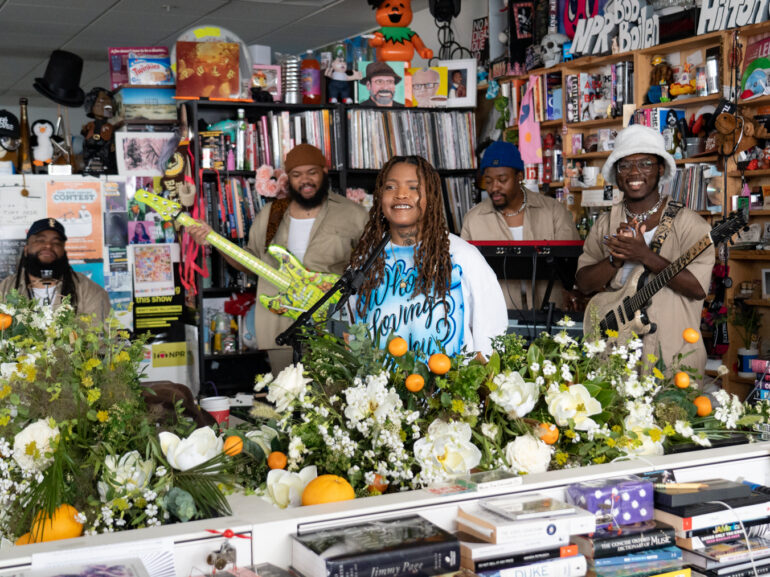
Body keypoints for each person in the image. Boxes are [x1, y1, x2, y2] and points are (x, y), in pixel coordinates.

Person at [187, 144, 368, 373]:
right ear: (287, 178)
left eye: (312, 172)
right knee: (288, 397)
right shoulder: (271, 214)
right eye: (296, 174)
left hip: (334, 322)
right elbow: (250, 262)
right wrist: (213, 240)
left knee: (333, 398)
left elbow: (372, 265)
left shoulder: (353, 213)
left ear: (324, 171)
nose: (305, 180)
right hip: (282, 323)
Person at [575, 124, 714, 374]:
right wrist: (614, 261)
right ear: (617, 175)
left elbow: (697, 288)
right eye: (625, 165)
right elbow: (584, 283)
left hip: (674, 356)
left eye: (645, 163)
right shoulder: (605, 224)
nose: (634, 172)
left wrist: (645, 256)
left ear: (661, 169)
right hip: (614, 356)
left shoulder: (689, 224)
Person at [351, 155, 507, 357]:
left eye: (413, 187)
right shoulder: (365, 260)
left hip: (450, 385)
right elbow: (355, 334)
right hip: (378, 387)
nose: (401, 194)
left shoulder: (463, 257)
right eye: (390, 187)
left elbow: (492, 338)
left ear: (430, 196)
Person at [461, 141, 580, 312]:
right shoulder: (473, 219)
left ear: (520, 176)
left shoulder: (553, 211)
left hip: (549, 314)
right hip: (497, 317)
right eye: (488, 181)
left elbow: (571, 266)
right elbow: (465, 276)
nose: (494, 187)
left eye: (502, 180)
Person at [0, 218, 111, 322]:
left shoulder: (89, 291)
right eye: (40, 240)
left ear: (64, 251)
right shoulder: (5, 290)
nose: (48, 245)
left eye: (56, 242)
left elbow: (103, 339)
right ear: (26, 249)